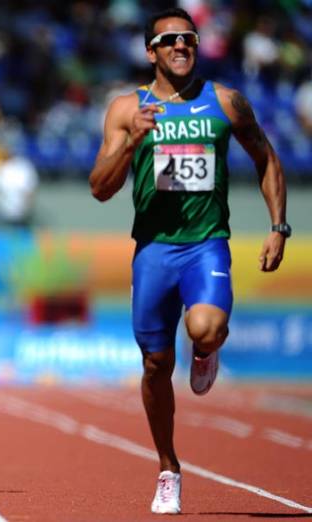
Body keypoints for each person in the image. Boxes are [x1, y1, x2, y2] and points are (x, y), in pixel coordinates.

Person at [89, 7, 288, 515]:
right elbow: (99, 189)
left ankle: (206, 348)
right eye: (170, 40)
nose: (182, 46)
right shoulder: (125, 108)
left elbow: (265, 156)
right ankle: (168, 467)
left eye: (190, 39)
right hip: (153, 251)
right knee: (156, 364)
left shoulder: (225, 101)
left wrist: (278, 226)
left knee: (204, 327)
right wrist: (133, 138)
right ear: (151, 51)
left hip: (206, 244)